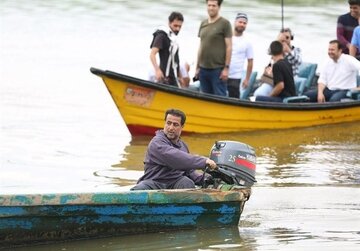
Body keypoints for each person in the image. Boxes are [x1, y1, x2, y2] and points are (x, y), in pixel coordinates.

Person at [131, 109, 217, 190]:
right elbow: (176, 157)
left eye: (175, 125)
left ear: (182, 127)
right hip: (154, 182)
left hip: (175, 182)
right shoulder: (156, 143)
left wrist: (209, 179)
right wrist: (203, 161)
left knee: (187, 182)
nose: (171, 128)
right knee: (139, 189)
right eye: (168, 123)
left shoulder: (183, 146)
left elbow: (190, 172)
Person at [195, 0, 232, 96]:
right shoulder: (203, 23)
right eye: (209, 5)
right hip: (203, 69)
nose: (211, 8)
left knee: (220, 98)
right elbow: (201, 46)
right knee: (204, 98)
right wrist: (197, 67)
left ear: (219, 7)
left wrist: (226, 68)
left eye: (214, 6)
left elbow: (229, 47)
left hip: (217, 70)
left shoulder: (225, 23)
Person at [254, 28, 301, 97]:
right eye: (283, 37)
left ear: (291, 38)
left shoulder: (296, 50)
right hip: (275, 79)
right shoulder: (278, 48)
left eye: (287, 37)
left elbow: (298, 61)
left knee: (260, 94)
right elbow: (270, 52)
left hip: (290, 80)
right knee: (258, 89)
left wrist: (288, 50)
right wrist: (278, 41)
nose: (285, 39)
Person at [150, 12, 184, 87]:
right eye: (175, 26)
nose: (177, 29)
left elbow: (175, 59)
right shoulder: (162, 36)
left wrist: (180, 76)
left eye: (179, 26)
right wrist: (157, 70)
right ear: (169, 23)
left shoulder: (173, 38)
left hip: (174, 77)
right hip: (165, 78)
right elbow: (152, 55)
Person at [227, 12, 254, 98]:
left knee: (233, 100)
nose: (242, 24)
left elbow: (250, 61)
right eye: (240, 22)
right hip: (222, 73)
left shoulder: (247, 42)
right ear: (235, 22)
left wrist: (247, 79)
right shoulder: (227, 37)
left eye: (244, 23)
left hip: (236, 76)